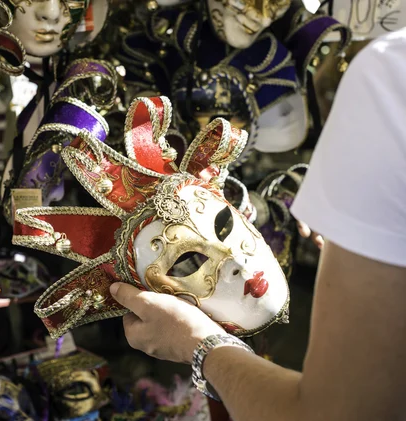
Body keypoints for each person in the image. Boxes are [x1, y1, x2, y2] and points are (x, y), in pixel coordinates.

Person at [109, 28, 406, 421]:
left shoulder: (391, 69)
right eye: (189, 261)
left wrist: (200, 345)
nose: (234, 260)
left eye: (224, 225)